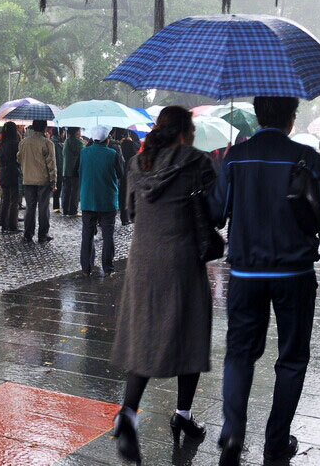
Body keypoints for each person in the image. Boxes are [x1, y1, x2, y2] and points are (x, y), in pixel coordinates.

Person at [209, 97, 320, 466]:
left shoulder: (236, 157)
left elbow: (216, 213)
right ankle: (276, 441)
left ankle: (233, 431)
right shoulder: (307, 157)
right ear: (291, 118)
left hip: (245, 274)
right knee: (292, 358)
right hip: (294, 273)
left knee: (239, 354)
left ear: (257, 116)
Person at [111, 107, 216, 463]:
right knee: (191, 330)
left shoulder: (137, 163)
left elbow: (131, 212)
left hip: (142, 261)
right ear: (186, 130)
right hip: (183, 259)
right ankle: (182, 414)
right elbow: (217, 214)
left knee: (144, 332)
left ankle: (128, 413)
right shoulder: (198, 161)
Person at [78, 125, 124, 277]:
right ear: (107, 139)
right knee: (108, 235)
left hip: (88, 199)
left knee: (87, 235)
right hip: (107, 200)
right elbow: (120, 173)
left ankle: (86, 268)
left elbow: (76, 171)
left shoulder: (83, 153)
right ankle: (108, 268)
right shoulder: (113, 154)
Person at [17, 119, 58, 244]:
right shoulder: (48, 143)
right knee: (43, 208)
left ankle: (28, 234)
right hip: (43, 180)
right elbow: (51, 165)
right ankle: (42, 235)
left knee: (30, 208)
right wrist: (53, 182)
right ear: (45, 129)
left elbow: (19, 158)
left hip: (28, 179)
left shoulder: (24, 142)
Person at [0, 122, 21, 233]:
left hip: (4, 172)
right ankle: (12, 225)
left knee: (5, 199)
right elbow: (19, 160)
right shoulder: (16, 144)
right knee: (14, 200)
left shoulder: (1, 144)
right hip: (14, 173)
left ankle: (3, 223)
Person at [118, 130, 140, 225]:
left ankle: (125, 217)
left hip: (125, 169)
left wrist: (130, 142)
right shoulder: (117, 132)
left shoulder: (132, 135)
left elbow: (136, 148)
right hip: (123, 168)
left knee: (124, 193)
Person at [61, 127, 83, 216]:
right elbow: (83, 151)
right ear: (76, 131)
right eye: (79, 130)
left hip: (66, 169)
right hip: (74, 169)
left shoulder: (67, 140)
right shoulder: (77, 141)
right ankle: (73, 210)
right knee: (74, 191)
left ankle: (65, 210)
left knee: (66, 191)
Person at [50, 128, 65, 213]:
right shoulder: (55, 143)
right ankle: (56, 206)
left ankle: (56, 206)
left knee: (58, 187)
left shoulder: (56, 142)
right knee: (57, 187)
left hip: (58, 168)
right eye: (62, 132)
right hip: (57, 168)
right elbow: (58, 158)